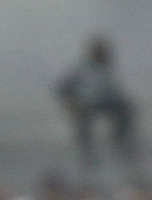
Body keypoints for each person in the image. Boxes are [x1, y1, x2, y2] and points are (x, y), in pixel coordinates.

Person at [54, 35, 137, 172]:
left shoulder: (111, 66)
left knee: (127, 110)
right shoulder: (79, 67)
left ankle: (119, 140)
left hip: (110, 101)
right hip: (88, 103)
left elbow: (118, 87)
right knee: (81, 119)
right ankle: (88, 151)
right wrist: (70, 102)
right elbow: (62, 86)